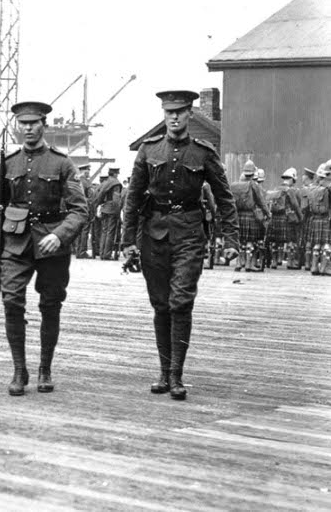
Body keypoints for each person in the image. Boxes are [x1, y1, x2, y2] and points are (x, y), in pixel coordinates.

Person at [121, 90, 239, 401]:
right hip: (154, 234)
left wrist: (231, 239)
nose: (174, 117)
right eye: (169, 112)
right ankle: (163, 372)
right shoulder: (148, 150)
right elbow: (132, 200)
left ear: (189, 113)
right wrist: (127, 243)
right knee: (161, 304)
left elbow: (224, 197)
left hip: (189, 234)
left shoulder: (203, 151)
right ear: (164, 114)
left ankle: (176, 375)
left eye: (181, 111)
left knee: (181, 301)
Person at [0, 101, 87, 396]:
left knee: (50, 304)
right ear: (18, 126)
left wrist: (61, 235)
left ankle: (45, 368)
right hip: (14, 244)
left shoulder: (62, 163)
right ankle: (19, 369)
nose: (28, 128)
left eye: (33, 123)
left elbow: (80, 210)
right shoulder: (9, 163)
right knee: (12, 301)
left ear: (44, 125)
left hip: (51, 245)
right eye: (23, 123)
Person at [229, 160, 269, 272]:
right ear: (253, 173)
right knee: (250, 241)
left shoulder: (234, 185)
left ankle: (238, 263)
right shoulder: (253, 185)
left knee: (241, 241)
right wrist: (267, 213)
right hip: (250, 215)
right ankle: (248, 265)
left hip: (238, 215)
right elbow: (261, 201)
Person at [264, 168, 302, 268]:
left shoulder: (276, 188)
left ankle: (274, 262)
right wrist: (300, 217)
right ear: (292, 179)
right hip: (286, 218)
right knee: (290, 241)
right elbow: (295, 205)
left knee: (274, 241)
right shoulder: (290, 190)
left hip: (275, 218)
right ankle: (290, 263)